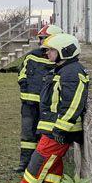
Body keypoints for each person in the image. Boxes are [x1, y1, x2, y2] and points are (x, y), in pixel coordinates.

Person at [6, 33, 88, 183]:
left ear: (65, 51)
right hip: (53, 126)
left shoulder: (71, 73)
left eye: (51, 50)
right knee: (54, 162)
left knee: (40, 158)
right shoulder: (64, 69)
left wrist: (61, 128)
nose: (47, 53)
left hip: (58, 129)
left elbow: (72, 104)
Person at [14, 25, 62, 173]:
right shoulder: (32, 55)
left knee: (43, 135)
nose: (41, 42)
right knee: (27, 134)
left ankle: (38, 165)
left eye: (44, 38)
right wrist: (23, 85)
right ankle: (24, 163)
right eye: (41, 39)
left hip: (47, 105)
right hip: (28, 103)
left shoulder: (59, 59)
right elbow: (22, 72)